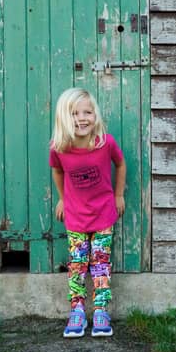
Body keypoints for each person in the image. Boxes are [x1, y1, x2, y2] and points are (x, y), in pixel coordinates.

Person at [49, 87, 126, 338]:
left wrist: (118, 195)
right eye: (74, 113)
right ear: (64, 117)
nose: (82, 118)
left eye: (87, 112)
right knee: (78, 264)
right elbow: (57, 171)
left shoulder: (105, 142)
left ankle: (101, 310)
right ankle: (77, 311)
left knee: (100, 264)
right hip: (75, 217)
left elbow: (120, 164)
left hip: (103, 214)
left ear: (95, 115)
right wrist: (63, 199)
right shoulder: (59, 147)